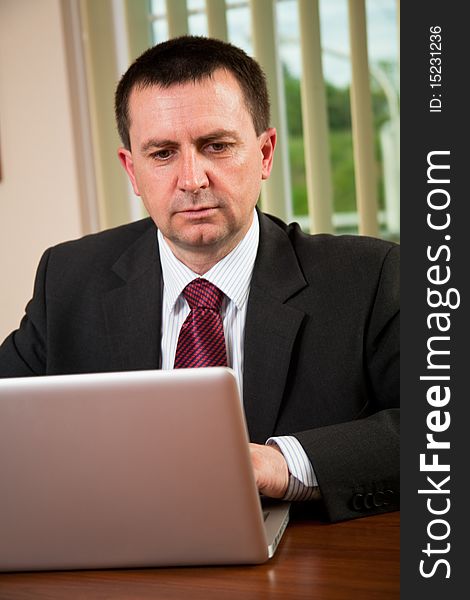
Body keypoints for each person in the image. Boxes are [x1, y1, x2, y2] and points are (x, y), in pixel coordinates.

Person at [0, 36, 399, 522]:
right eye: (163, 153)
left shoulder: (368, 277)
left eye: (216, 146)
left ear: (266, 153)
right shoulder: (68, 279)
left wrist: (282, 464)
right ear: (132, 170)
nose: (192, 179)